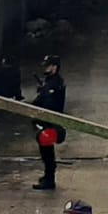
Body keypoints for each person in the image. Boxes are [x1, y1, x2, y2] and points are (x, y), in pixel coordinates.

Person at [32, 55, 67, 192]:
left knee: (47, 152)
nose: (45, 68)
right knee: (45, 151)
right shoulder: (50, 81)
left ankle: (49, 179)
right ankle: (47, 176)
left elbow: (49, 104)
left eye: (48, 66)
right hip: (47, 122)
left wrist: (42, 95)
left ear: (54, 67)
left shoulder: (55, 83)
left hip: (51, 123)